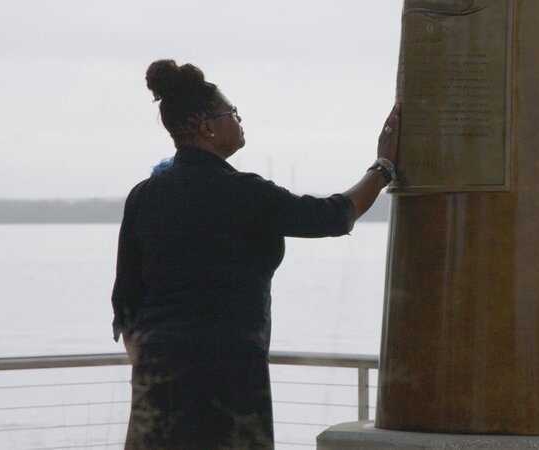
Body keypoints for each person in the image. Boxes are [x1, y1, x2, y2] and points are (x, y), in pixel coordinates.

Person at [111, 59, 400, 449]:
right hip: (228, 374)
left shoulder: (144, 196)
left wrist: (149, 367)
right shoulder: (242, 192)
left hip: (157, 377)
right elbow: (332, 216)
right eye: (231, 112)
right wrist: (383, 166)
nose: (239, 119)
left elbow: (126, 302)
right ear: (207, 126)